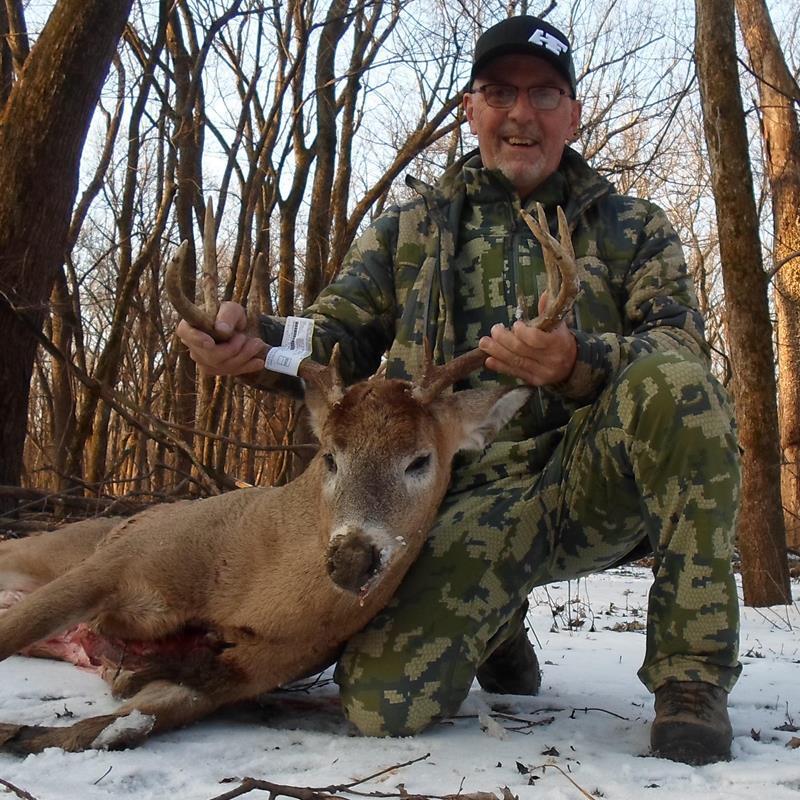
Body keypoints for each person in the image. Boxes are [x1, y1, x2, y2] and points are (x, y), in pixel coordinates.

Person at [177, 15, 741, 765]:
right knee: (383, 704)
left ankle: (691, 677)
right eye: (499, 92)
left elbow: (680, 347)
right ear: (470, 109)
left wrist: (577, 361)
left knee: (679, 388)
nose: (521, 114)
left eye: (545, 94)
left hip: (589, 483)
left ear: (573, 114)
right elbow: (333, 337)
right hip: (454, 501)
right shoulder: (409, 229)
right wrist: (256, 343)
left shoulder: (633, 227)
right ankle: (497, 625)